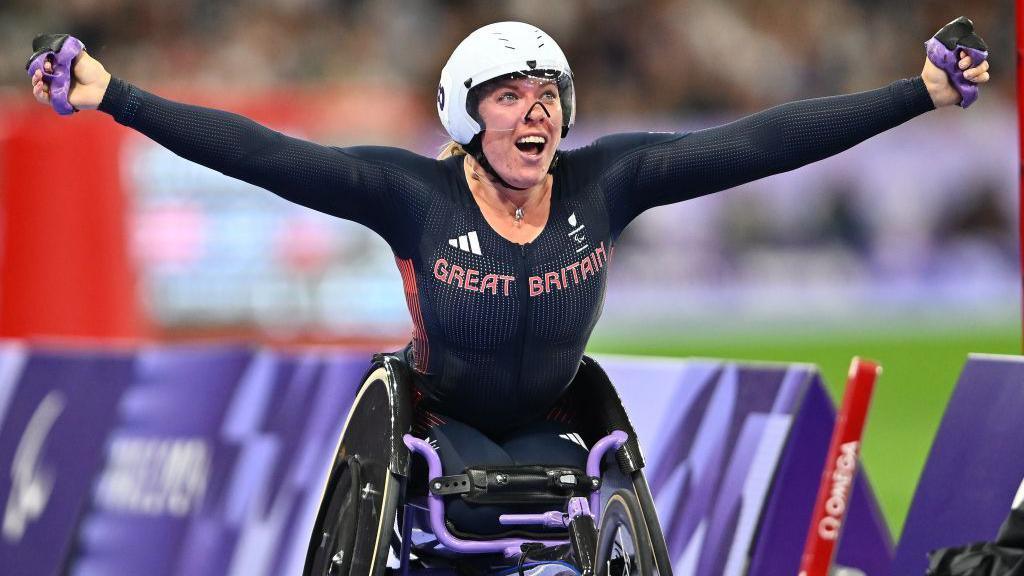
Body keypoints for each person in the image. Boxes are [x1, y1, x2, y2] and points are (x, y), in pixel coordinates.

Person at [29, 20, 990, 533]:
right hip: (432, 424)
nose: (535, 113)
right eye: (508, 96)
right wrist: (117, 96)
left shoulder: (608, 180)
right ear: (462, 114)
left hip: (558, 424)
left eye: (548, 96)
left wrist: (921, 92)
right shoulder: (408, 194)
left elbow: (757, 143)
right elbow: (261, 152)